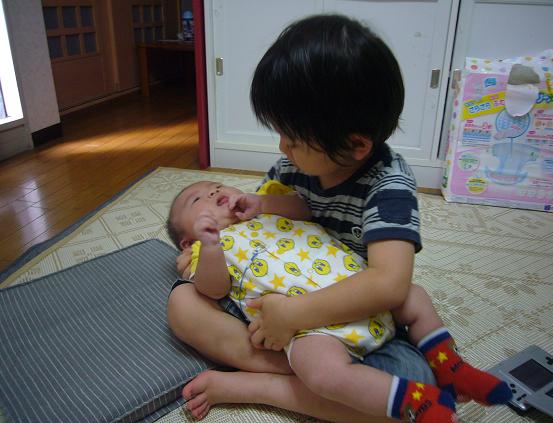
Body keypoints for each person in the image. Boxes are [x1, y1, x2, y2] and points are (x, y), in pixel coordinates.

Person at [168, 14, 511, 423]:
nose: (282, 148)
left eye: (293, 139)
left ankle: (263, 385)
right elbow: (264, 234)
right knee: (181, 305)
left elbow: (388, 284)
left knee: (407, 374)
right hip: (276, 307)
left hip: (349, 311)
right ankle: (301, 373)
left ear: (355, 144)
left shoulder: (390, 187)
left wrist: (292, 316)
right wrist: (208, 248)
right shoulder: (290, 169)